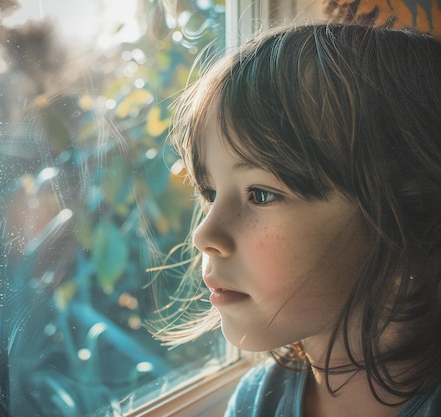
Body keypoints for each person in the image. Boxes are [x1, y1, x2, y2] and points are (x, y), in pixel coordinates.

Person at [160, 23, 441, 416]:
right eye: (209, 193)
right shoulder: (255, 401)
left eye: (261, 195)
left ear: (409, 217)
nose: (204, 234)